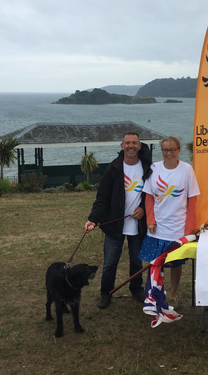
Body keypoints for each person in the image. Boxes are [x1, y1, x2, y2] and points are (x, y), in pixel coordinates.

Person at [85, 132, 152, 309]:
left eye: (134, 143)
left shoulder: (148, 168)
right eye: (127, 143)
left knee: (137, 262)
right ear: (122, 146)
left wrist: (143, 208)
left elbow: (154, 195)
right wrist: (93, 219)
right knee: (110, 263)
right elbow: (102, 197)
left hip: (138, 226)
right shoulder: (113, 168)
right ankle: (105, 293)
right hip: (115, 225)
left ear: (139, 146)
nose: (131, 146)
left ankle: (136, 289)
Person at [138, 136, 200, 306]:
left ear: (178, 150)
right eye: (165, 149)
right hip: (158, 226)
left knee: (174, 263)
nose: (169, 153)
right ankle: (156, 292)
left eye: (172, 149)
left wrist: (189, 229)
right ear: (162, 151)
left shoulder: (187, 169)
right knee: (155, 262)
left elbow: (193, 200)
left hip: (178, 226)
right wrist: (150, 220)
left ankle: (173, 294)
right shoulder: (154, 168)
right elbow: (149, 197)